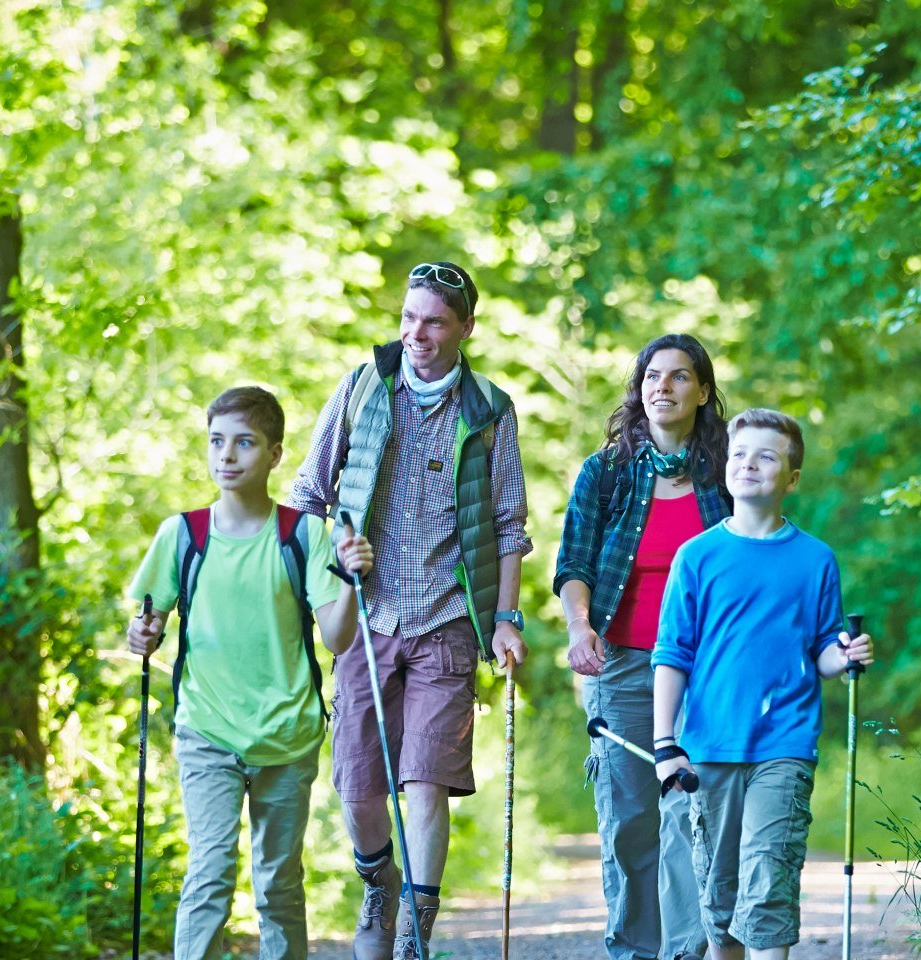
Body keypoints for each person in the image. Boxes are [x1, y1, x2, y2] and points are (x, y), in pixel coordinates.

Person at [286, 260, 531, 960]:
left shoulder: (490, 409)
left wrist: (507, 617)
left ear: (465, 329)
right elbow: (309, 492)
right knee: (360, 786)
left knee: (423, 780)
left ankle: (414, 930)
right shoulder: (363, 387)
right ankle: (377, 881)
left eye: (433, 322)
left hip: (448, 618)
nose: (416, 333)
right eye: (408, 318)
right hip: (365, 615)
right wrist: (338, 551)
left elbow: (510, 524)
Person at [125, 385, 375, 960]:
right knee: (209, 875)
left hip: (287, 737)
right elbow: (145, 625)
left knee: (278, 884)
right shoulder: (184, 535)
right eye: (217, 442)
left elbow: (336, 636)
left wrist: (353, 579)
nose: (227, 456)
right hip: (207, 731)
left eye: (244, 443)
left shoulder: (302, 535)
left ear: (274, 453)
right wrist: (141, 635)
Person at [651, 408, 876, 960]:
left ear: (791, 478)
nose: (749, 464)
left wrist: (844, 656)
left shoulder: (815, 559)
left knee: (768, 880)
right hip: (708, 746)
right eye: (739, 454)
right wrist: (664, 743)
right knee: (718, 898)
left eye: (766, 456)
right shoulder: (697, 557)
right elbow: (672, 654)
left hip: (785, 745)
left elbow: (822, 647)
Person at [555, 333, 730, 960]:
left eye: (680, 376)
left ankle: (686, 951)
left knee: (688, 814)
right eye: (652, 376)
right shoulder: (605, 472)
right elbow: (573, 563)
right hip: (623, 665)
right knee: (628, 818)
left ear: (702, 392)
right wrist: (580, 628)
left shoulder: (727, 472)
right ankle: (632, 950)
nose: (663, 386)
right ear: (639, 389)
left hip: (706, 670)